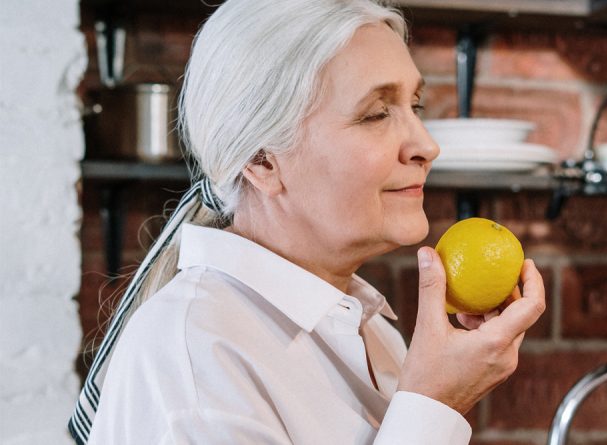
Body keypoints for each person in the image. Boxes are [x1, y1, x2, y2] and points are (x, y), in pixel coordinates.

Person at [68, 0, 546, 443]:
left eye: (414, 106)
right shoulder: (195, 356)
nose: (426, 145)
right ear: (262, 162)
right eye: (376, 114)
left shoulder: (373, 331)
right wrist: (435, 402)